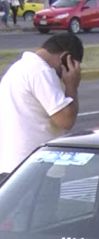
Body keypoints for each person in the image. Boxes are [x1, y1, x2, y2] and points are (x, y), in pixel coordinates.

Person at [0, 33, 83, 182]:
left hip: (11, 166)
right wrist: (72, 86)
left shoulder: (17, 69)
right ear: (66, 58)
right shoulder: (41, 72)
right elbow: (66, 119)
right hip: (35, 168)